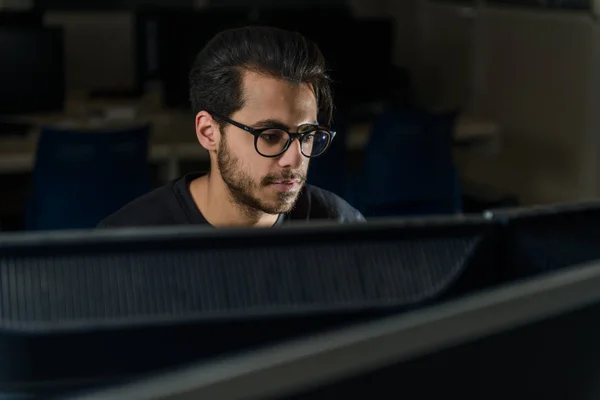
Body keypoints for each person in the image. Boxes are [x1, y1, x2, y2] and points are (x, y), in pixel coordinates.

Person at [98, 26, 364, 229]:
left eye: (306, 136)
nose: (295, 158)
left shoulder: (340, 227)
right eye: (270, 135)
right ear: (208, 132)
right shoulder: (130, 244)